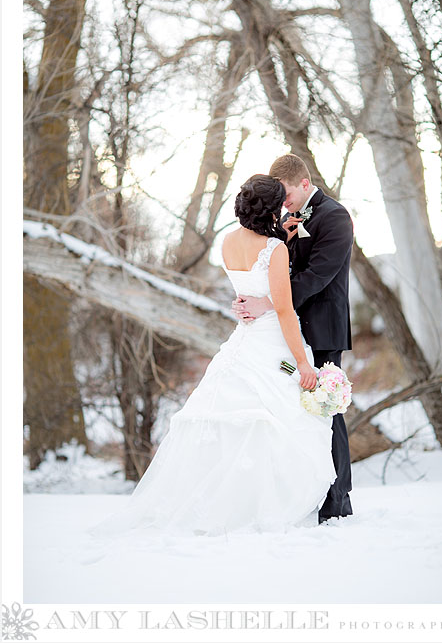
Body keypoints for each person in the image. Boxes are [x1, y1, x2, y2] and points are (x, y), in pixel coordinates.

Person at [93, 175, 336, 536]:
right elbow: (284, 310)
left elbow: (250, 278)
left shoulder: (227, 243)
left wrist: (278, 241)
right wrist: (302, 362)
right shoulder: (275, 249)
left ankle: (223, 504)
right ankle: (259, 506)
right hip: (270, 337)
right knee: (272, 423)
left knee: (238, 423)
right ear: (271, 209)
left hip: (244, 337)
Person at [233, 154, 354, 524]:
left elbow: (317, 276)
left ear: (303, 183)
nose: (281, 202)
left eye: (284, 193)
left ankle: (337, 501)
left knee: (325, 411)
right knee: (293, 412)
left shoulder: (335, 217)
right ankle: (303, 495)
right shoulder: (286, 220)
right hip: (286, 331)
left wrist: (267, 304)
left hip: (320, 329)